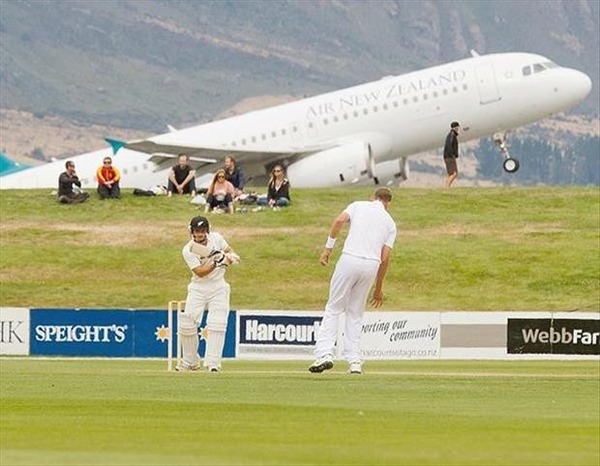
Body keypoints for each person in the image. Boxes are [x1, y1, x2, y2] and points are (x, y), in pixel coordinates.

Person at [309, 187, 397, 375]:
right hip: (371, 265)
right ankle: (354, 361)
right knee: (355, 313)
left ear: (373, 196)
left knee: (333, 308)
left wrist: (327, 249)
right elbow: (385, 257)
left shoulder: (358, 205)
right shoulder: (390, 223)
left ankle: (324, 354)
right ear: (388, 202)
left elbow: (339, 220)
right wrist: (378, 288)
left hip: (350, 258)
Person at [177, 216, 240, 372]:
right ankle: (190, 361)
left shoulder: (216, 238)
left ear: (207, 230)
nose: (200, 234)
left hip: (218, 287)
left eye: (203, 231)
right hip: (198, 287)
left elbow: (229, 251)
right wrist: (216, 262)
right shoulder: (188, 249)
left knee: (217, 323)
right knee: (187, 322)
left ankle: (213, 362)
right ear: (191, 231)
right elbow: (200, 272)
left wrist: (230, 258)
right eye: (197, 231)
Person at [443, 121, 461, 188]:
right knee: (454, 173)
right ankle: (447, 187)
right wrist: (452, 154)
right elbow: (449, 145)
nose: (458, 128)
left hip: (448, 156)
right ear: (455, 127)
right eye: (458, 127)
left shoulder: (451, 134)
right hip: (449, 157)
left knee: (451, 173)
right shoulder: (452, 135)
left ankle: (446, 187)